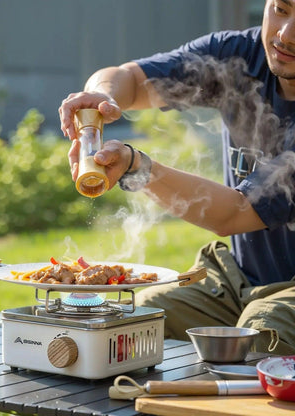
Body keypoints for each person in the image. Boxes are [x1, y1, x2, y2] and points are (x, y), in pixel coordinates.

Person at [59, 0, 295, 355]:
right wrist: (101, 101)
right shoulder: (239, 56)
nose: (286, 35)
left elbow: (235, 212)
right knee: (128, 325)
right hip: (237, 279)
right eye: (281, 7)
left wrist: (137, 167)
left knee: (254, 343)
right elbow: (133, 80)